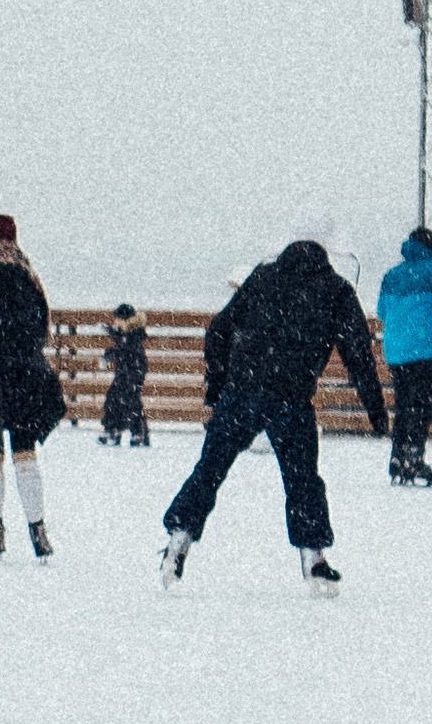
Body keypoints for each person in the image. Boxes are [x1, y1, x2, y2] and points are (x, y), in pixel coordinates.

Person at [160, 231, 388, 587]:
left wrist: (217, 385)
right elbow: (357, 352)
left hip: (241, 391)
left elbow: (219, 329)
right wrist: (375, 407)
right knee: (302, 480)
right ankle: (314, 558)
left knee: (210, 470)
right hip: (290, 398)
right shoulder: (336, 290)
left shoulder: (264, 276)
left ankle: (179, 539)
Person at [0, 217, 62, 555]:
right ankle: (38, 529)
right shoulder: (25, 274)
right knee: (25, 452)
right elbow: (41, 324)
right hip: (22, 375)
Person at [376, 227, 432, 487]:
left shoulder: (391, 275)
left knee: (403, 405)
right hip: (421, 349)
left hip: (394, 350)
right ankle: (414, 457)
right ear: (431, 247)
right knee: (422, 407)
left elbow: (381, 312)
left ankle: (397, 458)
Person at [99, 307, 150, 448]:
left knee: (130, 400)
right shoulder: (125, 334)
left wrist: (111, 351)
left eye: (118, 319)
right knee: (114, 398)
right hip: (124, 371)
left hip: (134, 371)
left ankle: (136, 432)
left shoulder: (133, 334)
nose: (115, 322)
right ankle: (113, 429)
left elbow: (126, 348)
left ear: (126, 320)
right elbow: (121, 346)